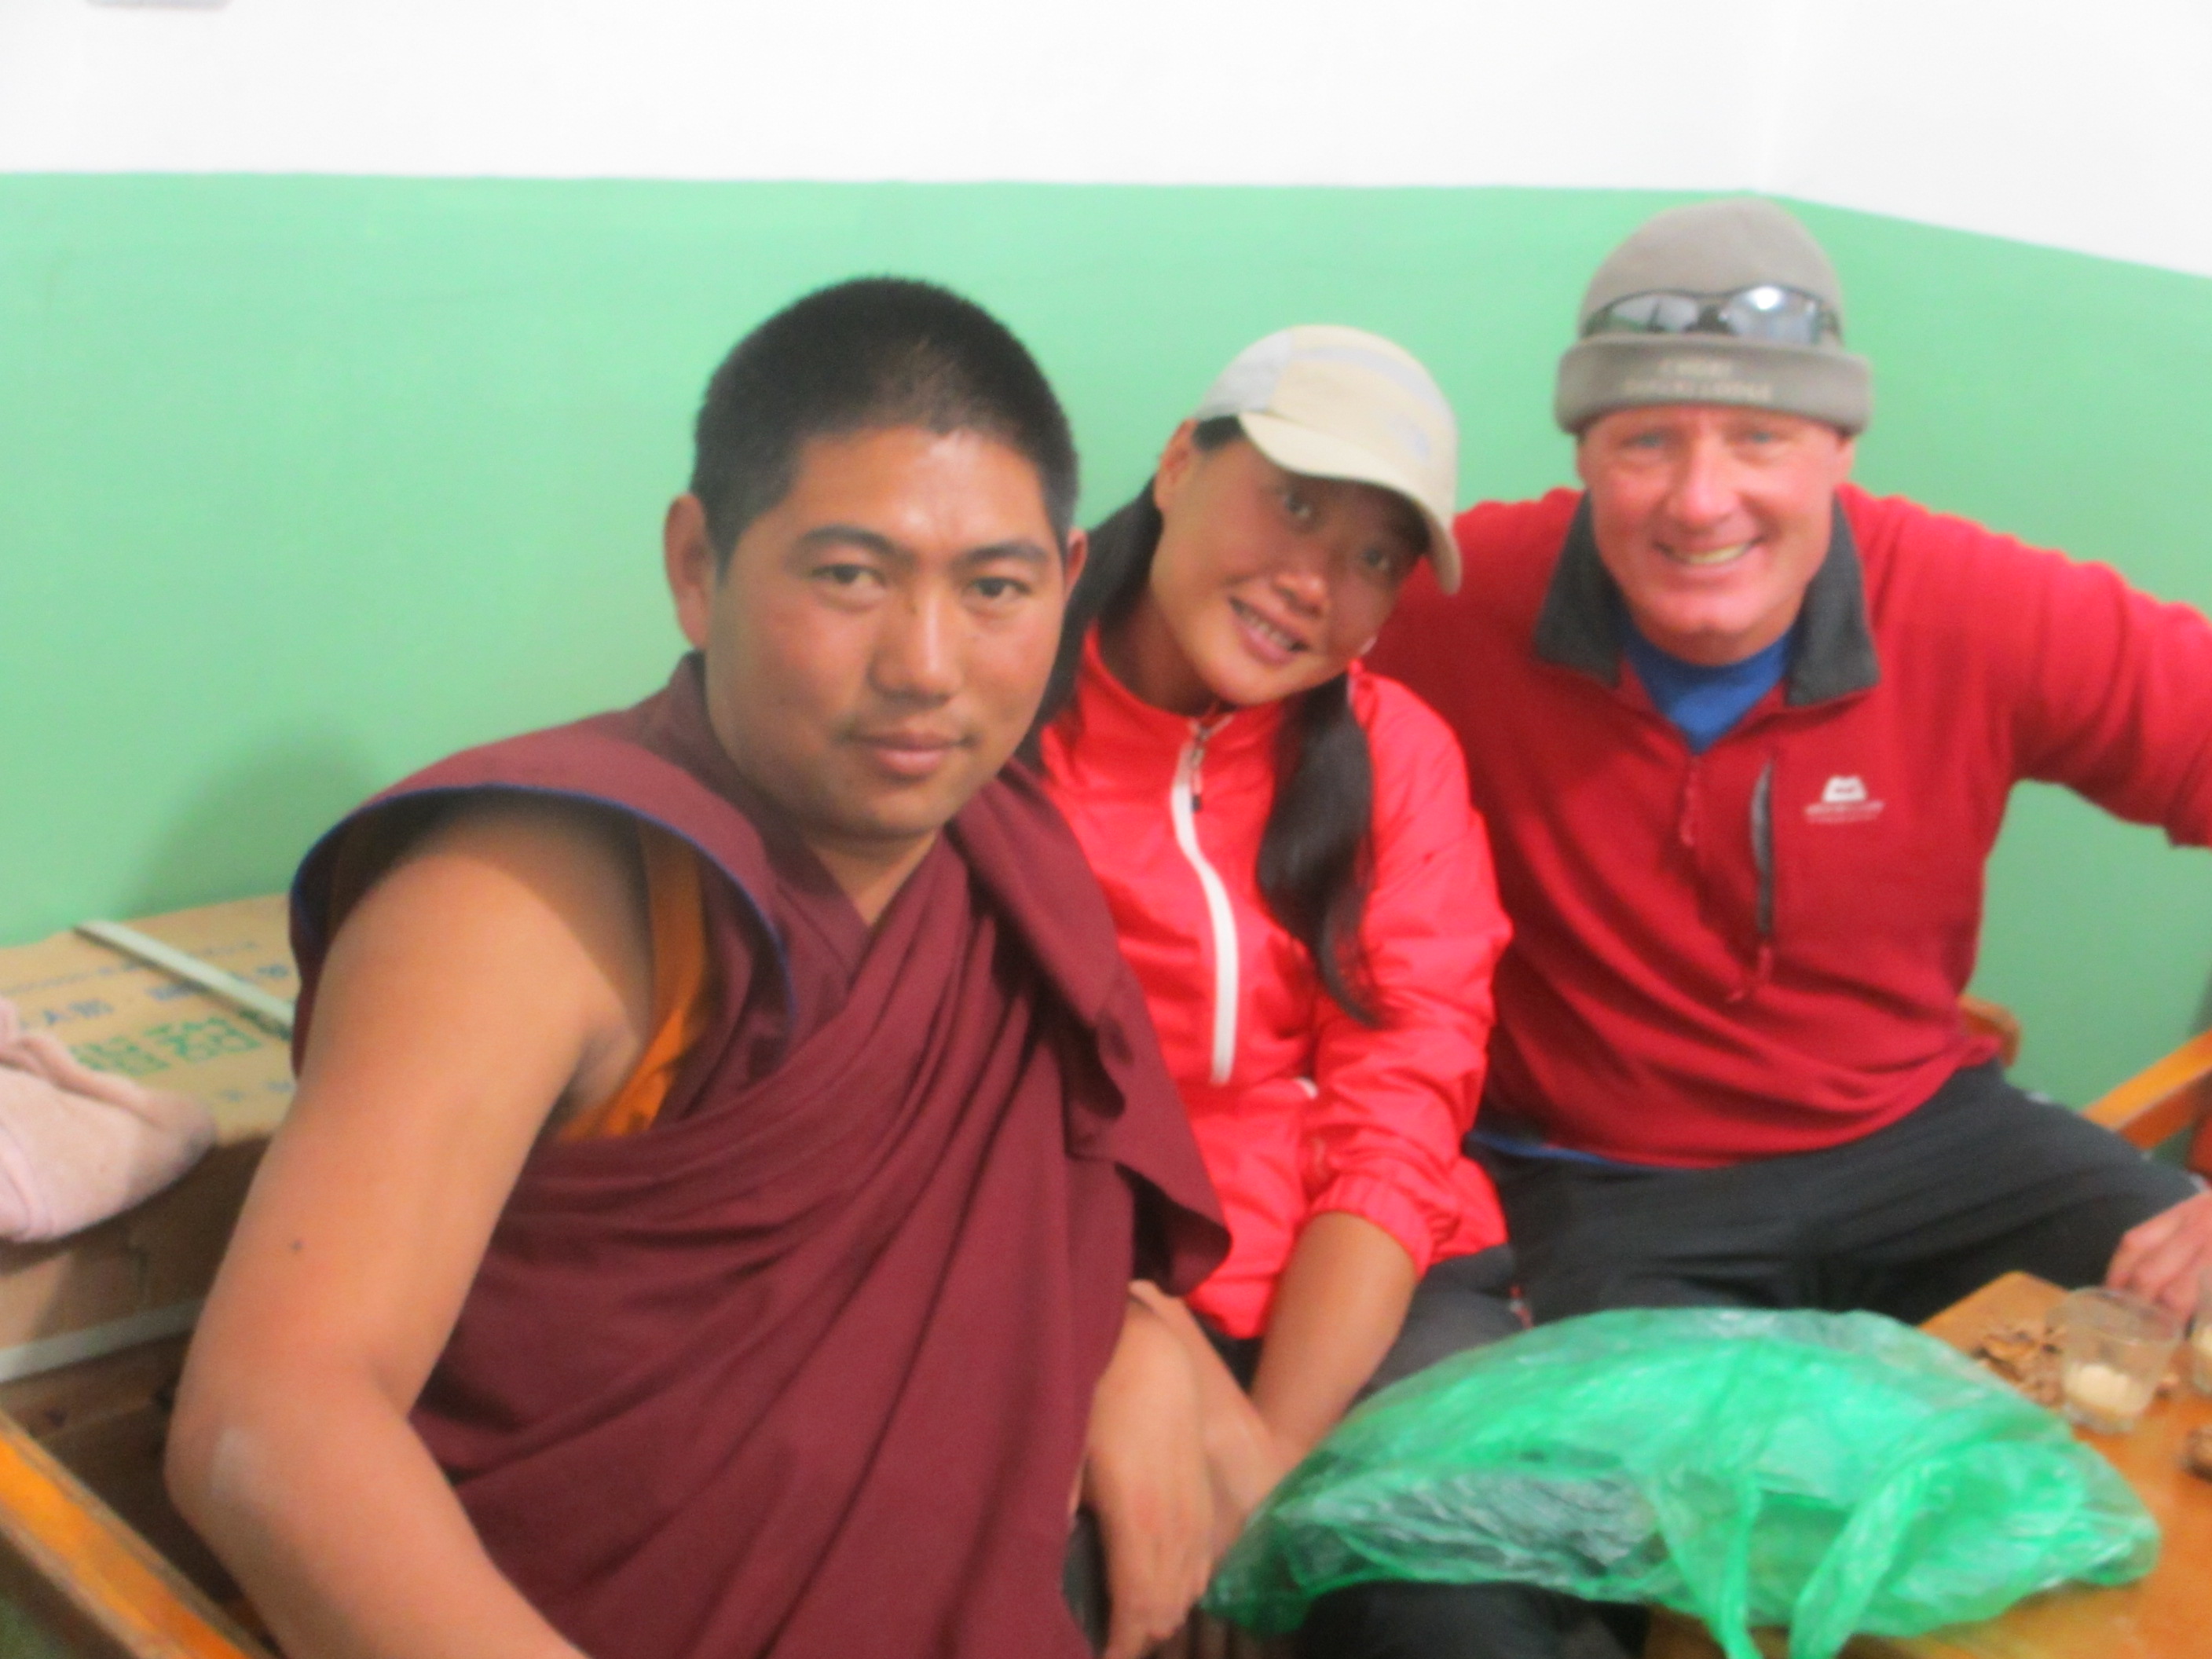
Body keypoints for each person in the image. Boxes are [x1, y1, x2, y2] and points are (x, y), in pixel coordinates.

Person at [164, 277, 1229, 1659]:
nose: (925, 665)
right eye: (850, 576)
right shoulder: (538, 890)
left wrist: (1140, 1342)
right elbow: (274, 1413)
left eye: (995, 591)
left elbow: (1032, 1268)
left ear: (1068, 583)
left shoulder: (1006, 867)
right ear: (696, 563)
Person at [1372, 194, 2212, 1333]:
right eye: (1647, 440)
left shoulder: (1972, 607)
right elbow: (1190, 635)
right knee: (1643, 1494)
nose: (1701, 499)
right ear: (1585, 453)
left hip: (1924, 1143)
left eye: (1758, 436)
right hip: (1600, 1183)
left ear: (1840, 448)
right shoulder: (1461, 603)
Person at [1037, 327, 1568, 1655]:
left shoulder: (1398, 758)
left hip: (1365, 1280)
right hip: (1074, 1270)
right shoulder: (994, 707)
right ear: (1176, 463)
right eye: (1292, 501)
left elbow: (1402, 1106)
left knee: (1468, 1596)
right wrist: (1123, 1327)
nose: (1314, 582)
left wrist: (1268, 1461)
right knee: (1046, 1592)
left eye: (1374, 554)